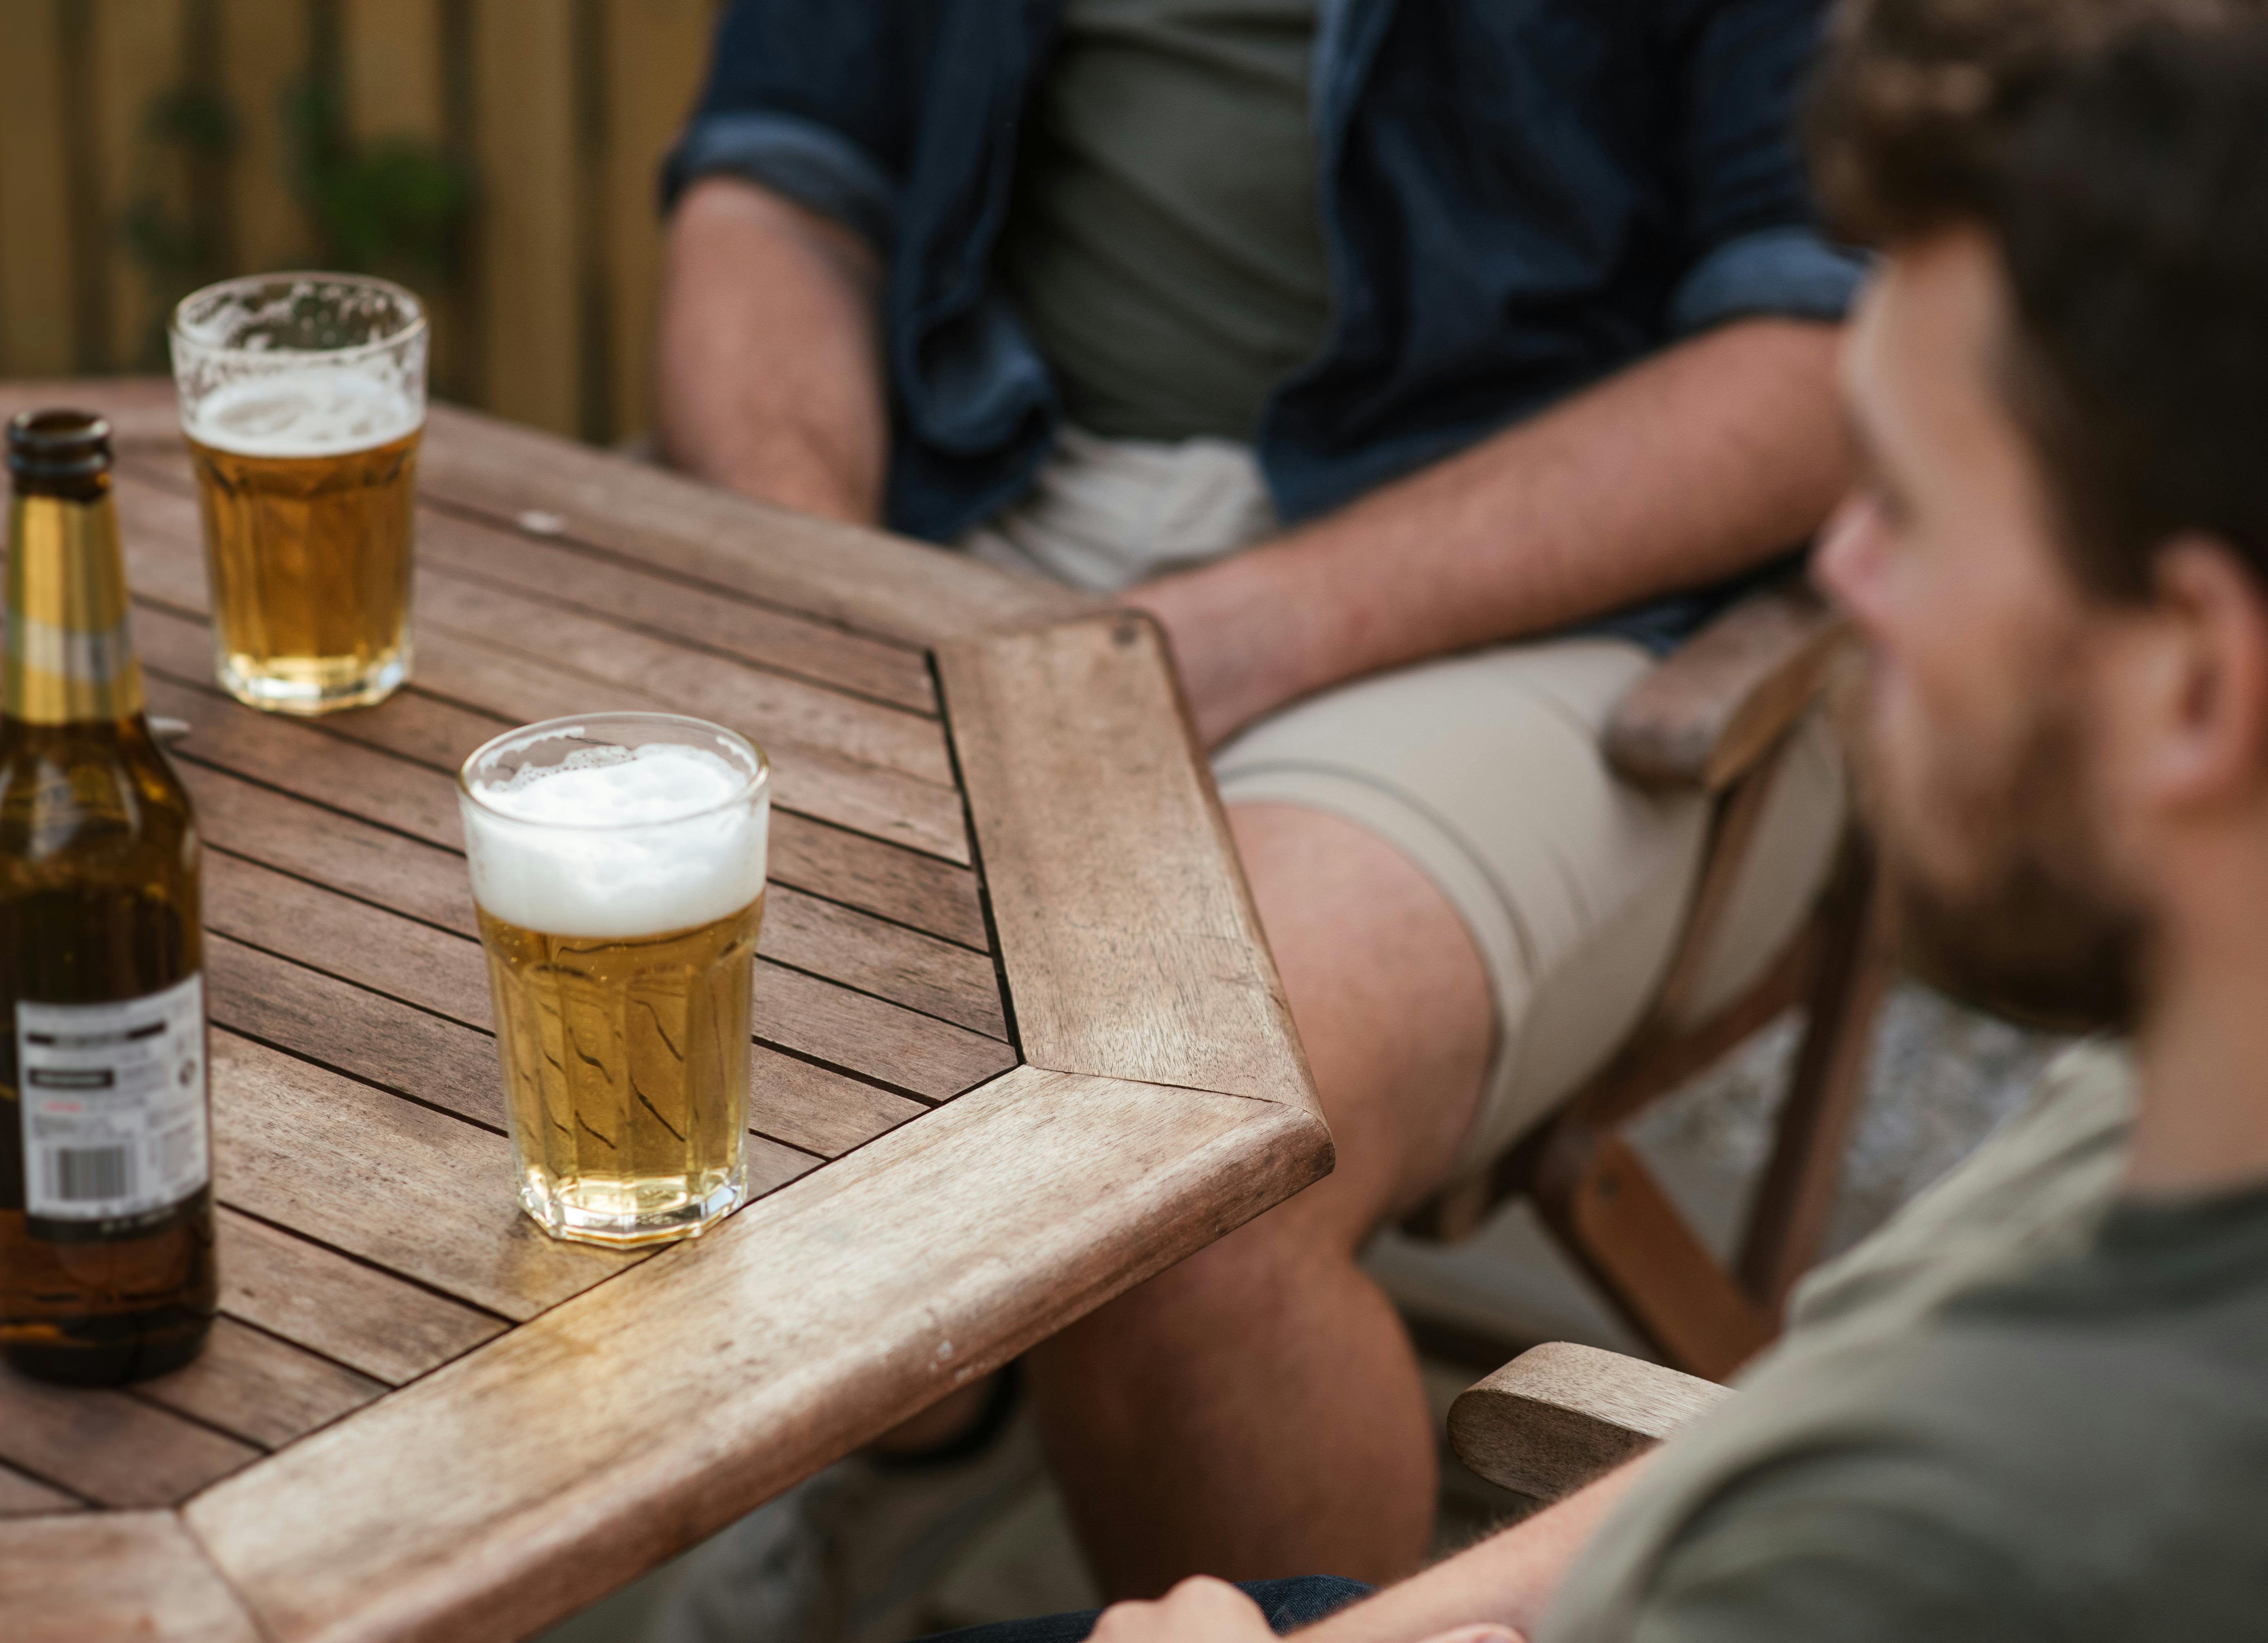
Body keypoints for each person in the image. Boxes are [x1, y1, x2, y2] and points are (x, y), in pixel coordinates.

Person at [944, 0, 2268, 1636]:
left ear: (2198, 685)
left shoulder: (1972, 1546)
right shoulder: (2186, 1084)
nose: (1836, 573)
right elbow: (1792, 1427)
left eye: (1906, 511)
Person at [653, 2, 1863, 1618]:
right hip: (975, 497)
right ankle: (902, 1429)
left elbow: (1824, 350)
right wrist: (840, 597)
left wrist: (1230, 635)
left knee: (1177, 1174)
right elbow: (781, 177)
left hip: (1556, 595)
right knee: (573, 924)